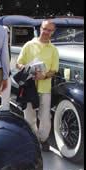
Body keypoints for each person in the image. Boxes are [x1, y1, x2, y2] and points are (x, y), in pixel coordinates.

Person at [16, 20, 59, 151]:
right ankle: (33, 141)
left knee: (45, 118)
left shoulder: (53, 50)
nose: (46, 32)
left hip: (45, 88)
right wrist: (28, 69)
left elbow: (54, 70)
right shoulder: (29, 45)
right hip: (29, 87)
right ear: (40, 28)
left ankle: (42, 139)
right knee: (29, 117)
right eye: (44, 28)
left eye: (49, 30)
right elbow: (18, 64)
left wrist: (44, 75)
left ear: (53, 32)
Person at [0, 25, 11, 110]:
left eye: (8, 33)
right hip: (0, 74)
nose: (7, 35)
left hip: (7, 74)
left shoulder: (7, 45)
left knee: (6, 99)